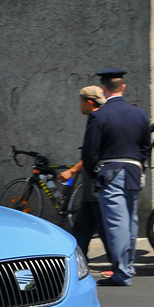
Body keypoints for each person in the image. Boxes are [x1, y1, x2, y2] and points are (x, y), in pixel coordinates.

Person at [82, 67, 152, 286]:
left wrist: (96, 172)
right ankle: (127, 268)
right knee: (130, 221)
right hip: (134, 171)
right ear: (123, 87)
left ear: (104, 89)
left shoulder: (99, 114)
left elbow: (90, 151)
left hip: (110, 171)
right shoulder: (139, 113)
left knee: (117, 223)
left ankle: (122, 273)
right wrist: (141, 165)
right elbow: (145, 146)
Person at [57, 86, 106, 259]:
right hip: (91, 187)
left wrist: (71, 171)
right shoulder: (102, 116)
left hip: (95, 182)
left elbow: (91, 154)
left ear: (89, 102)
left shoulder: (97, 118)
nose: (80, 105)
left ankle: (119, 266)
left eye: (81, 102)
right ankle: (78, 260)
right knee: (82, 227)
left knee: (102, 227)